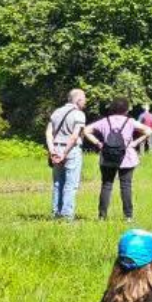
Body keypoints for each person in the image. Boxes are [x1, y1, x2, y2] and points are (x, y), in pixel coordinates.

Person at [84, 98, 152, 221]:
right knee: (126, 186)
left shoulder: (105, 121)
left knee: (106, 185)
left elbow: (86, 130)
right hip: (127, 157)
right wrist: (135, 143)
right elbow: (149, 131)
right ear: (126, 109)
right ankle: (128, 217)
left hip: (107, 157)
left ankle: (102, 216)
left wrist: (98, 143)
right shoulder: (130, 121)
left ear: (112, 109)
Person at [45, 88, 87, 220]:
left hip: (56, 148)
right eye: (84, 99)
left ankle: (56, 213)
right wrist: (65, 152)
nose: (85, 102)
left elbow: (48, 132)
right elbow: (74, 137)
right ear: (78, 100)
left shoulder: (56, 112)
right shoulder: (79, 114)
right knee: (71, 184)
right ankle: (67, 216)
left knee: (58, 183)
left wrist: (52, 150)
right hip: (71, 150)